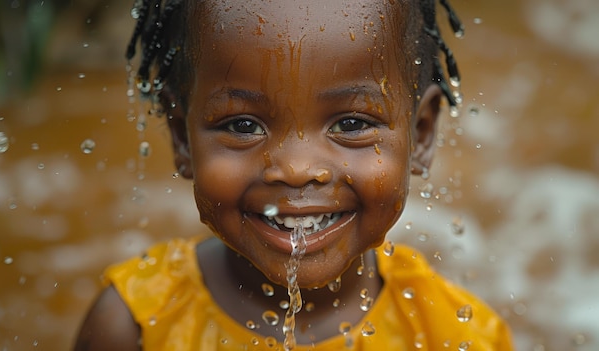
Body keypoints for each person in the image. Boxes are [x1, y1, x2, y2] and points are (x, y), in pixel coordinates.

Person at [74, 0, 513, 350]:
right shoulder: (133, 328)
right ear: (181, 136)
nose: (298, 169)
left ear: (420, 134)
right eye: (243, 126)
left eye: (352, 124)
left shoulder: (456, 338)